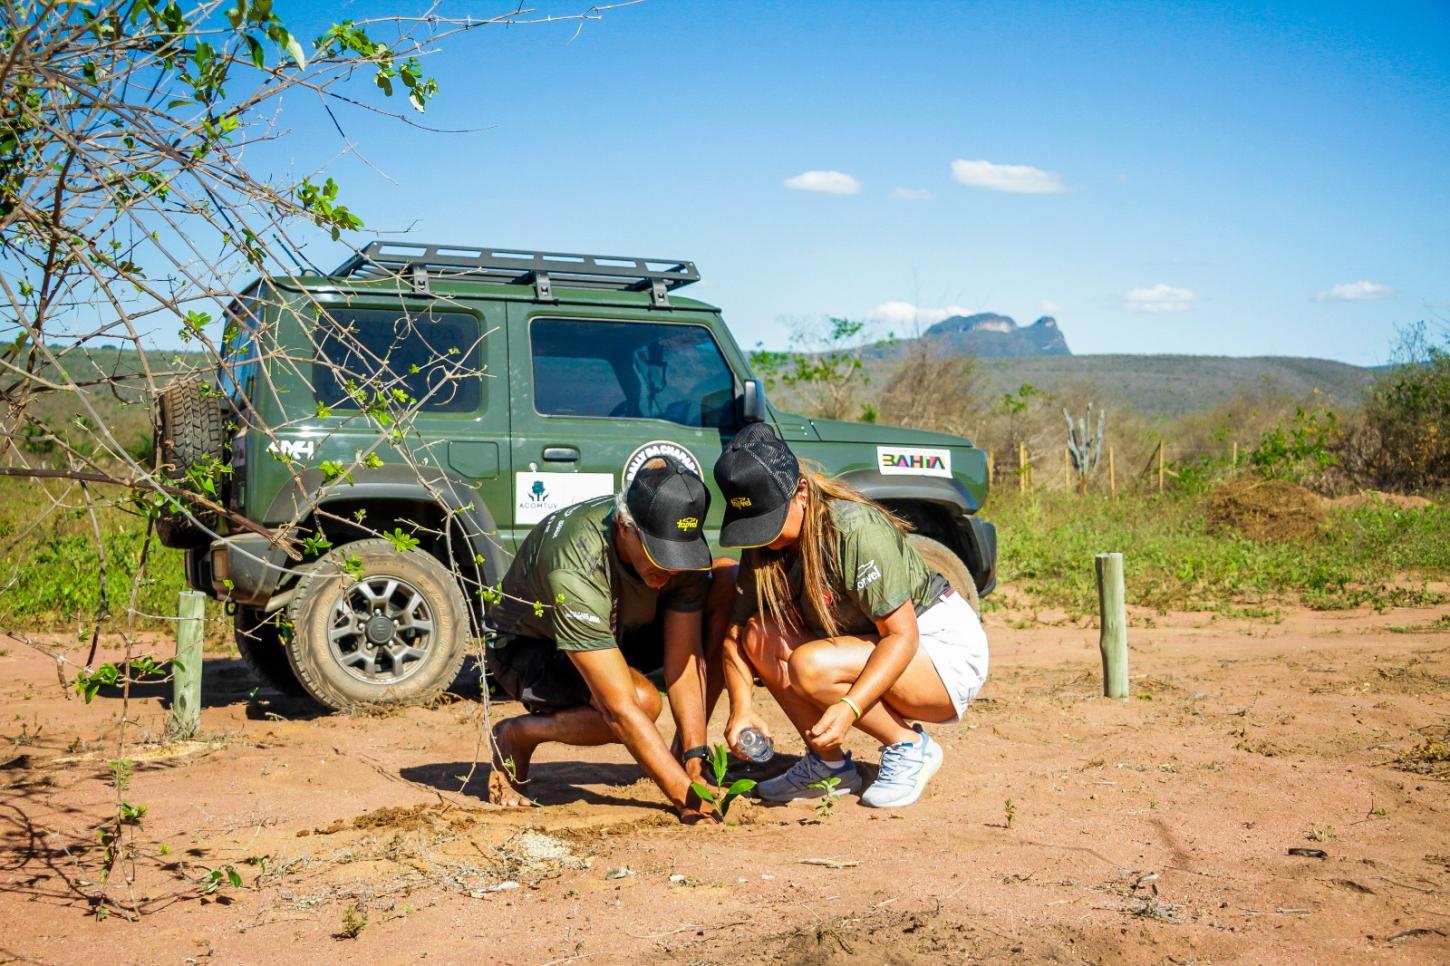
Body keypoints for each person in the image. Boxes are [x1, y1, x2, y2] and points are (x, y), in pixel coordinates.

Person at [714, 423, 989, 808]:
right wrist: (741, 708)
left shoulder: (853, 528)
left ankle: (909, 746)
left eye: (770, 521)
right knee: (760, 635)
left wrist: (850, 706)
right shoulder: (763, 541)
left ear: (802, 493)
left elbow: (901, 635)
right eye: (754, 526)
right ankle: (829, 766)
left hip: (939, 650)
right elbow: (737, 633)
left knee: (811, 666)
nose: (764, 536)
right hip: (874, 645)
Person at [485, 458, 734, 823]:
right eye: (659, 555)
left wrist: (695, 758)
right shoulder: (574, 563)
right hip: (530, 646)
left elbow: (684, 656)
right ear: (624, 527)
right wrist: (685, 797)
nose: (669, 570)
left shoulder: (679, 560)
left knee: (726, 579)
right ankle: (519, 733)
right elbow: (618, 708)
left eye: (678, 555)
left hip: (619, 626)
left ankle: (684, 757)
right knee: (641, 703)